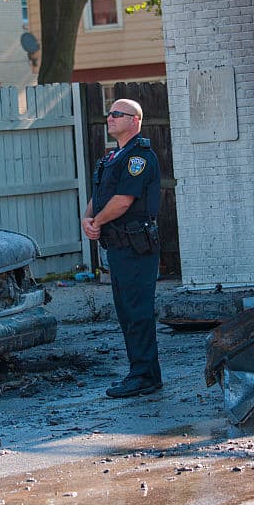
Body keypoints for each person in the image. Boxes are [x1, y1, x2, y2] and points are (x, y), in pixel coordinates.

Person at [82, 99, 162, 398]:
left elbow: (124, 200)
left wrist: (97, 221)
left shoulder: (138, 158)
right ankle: (142, 373)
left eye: (117, 114)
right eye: (109, 113)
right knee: (126, 312)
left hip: (135, 246)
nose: (110, 118)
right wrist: (88, 219)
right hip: (117, 246)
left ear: (135, 120)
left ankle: (144, 376)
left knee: (137, 311)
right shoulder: (112, 158)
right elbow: (101, 194)